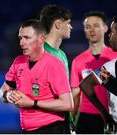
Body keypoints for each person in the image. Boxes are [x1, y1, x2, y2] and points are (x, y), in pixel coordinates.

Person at [0, 19, 74, 134]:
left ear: (41, 39)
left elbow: (68, 104)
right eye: (20, 38)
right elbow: (2, 91)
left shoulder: (54, 64)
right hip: (27, 130)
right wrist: (8, 95)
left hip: (52, 129)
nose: (21, 43)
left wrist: (33, 103)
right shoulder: (18, 62)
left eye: (27, 38)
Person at [70, 11, 117, 134]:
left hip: (113, 116)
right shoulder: (78, 61)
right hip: (87, 117)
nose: (92, 30)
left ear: (105, 28)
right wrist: (70, 119)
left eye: (96, 26)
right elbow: (75, 94)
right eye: (88, 27)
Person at [39, 4, 74, 133]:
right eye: (68, 23)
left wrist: (69, 121)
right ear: (58, 25)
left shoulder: (62, 54)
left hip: (62, 121)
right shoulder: (39, 53)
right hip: (46, 124)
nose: (71, 27)